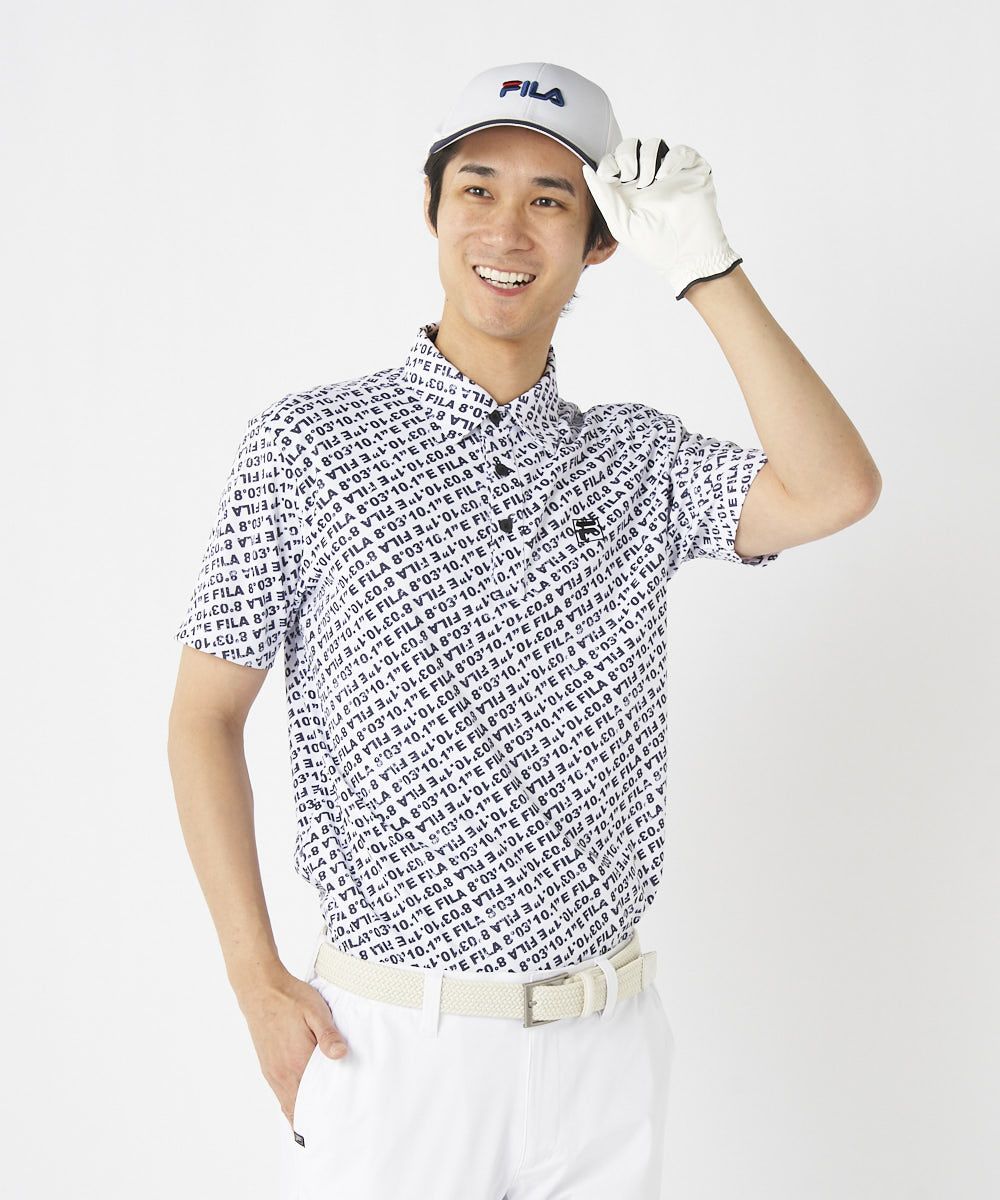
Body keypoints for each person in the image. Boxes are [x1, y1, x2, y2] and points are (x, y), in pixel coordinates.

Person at [167, 61, 881, 1200]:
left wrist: (707, 269)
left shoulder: (636, 459)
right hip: (397, 1047)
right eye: (478, 189)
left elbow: (835, 488)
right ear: (431, 207)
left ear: (600, 242)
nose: (506, 230)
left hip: (607, 1044)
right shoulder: (307, 448)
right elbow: (205, 717)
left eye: (550, 200)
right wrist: (255, 980)